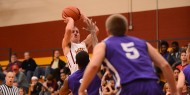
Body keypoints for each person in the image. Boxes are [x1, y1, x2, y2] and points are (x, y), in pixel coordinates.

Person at [78, 14, 178, 95]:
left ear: (107, 30)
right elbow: (165, 65)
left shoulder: (104, 44)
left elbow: (94, 65)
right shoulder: (143, 43)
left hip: (128, 86)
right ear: (126, 29)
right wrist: (174, 91)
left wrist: (81, 90)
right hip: (152, 86)